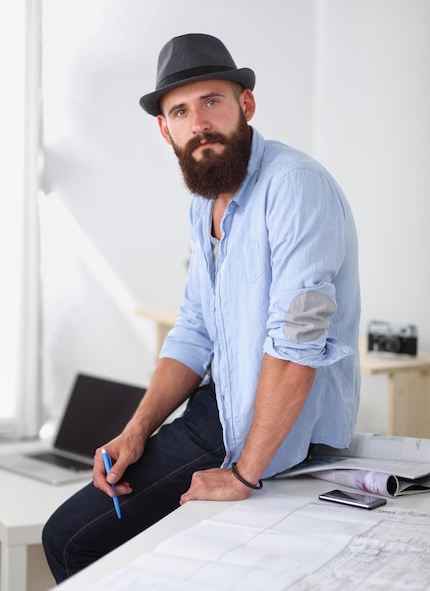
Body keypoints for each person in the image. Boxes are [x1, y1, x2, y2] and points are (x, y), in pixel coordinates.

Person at [42, 33, 360, 582]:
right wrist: (138, 427)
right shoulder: (204, 200)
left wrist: (244, 475)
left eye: (212, 101)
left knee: (71, 542)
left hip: (283, 429)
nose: (200, 123)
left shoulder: (294, 186)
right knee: (82, 540)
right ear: (165, 129)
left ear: (246, 105)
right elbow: (193, 331)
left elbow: (296, 343)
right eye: (181, 111)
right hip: (218, 412)